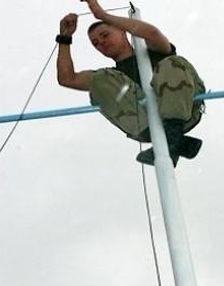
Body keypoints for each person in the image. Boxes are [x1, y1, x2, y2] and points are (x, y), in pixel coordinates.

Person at [56, 0, 206, 166]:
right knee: (100, 80)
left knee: (172, 63)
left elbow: (152, 33)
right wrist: (65, 38)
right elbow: (67, 79)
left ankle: (172, 136)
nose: (101, 43)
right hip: (145, 127)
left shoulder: (156, 52)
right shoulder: (112, 79)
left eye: (105, 35)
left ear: (122, 31)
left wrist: (103, 15)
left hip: (185, 113)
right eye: (96, 43)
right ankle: (173, 143)